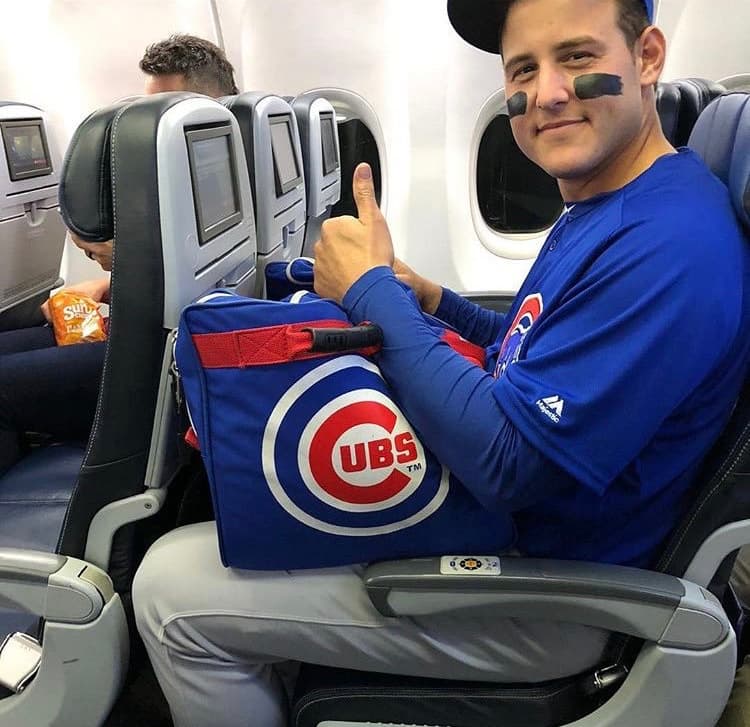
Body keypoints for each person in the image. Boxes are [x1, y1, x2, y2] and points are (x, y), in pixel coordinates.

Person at [132, 1, 750, 726]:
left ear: (646, 57)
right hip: (514, 536)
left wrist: (370, 291)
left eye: (577, 58)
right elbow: (523, 348)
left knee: (170, 587)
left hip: (550, 589)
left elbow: (510, 462)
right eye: (523, 70)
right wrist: (430, 298)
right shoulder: (613, 200)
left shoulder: (669, 247)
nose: (546, 93)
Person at [0, 34, 239, 476]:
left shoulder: (216, 163)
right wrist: (112, 282)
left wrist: (123, 259)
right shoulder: (209, 158)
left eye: (165, 109)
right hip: (154, 330)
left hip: (165, 359)